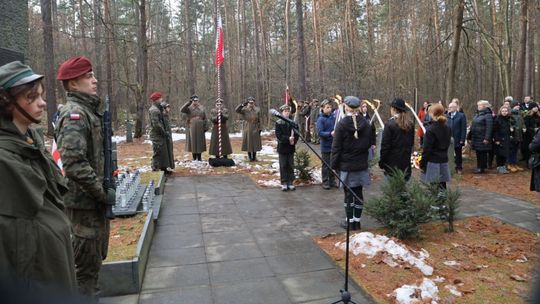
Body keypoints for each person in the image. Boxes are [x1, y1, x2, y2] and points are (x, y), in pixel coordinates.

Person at [0, 61, 77, 294]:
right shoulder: (4, 158)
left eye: (41, 96)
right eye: (31, 97)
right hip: (34, 276)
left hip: (52, 264)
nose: (42, 103)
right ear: (6, 102)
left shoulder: (29, 141)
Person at [55, 56, 115, 298]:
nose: (95, 80)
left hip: (92, 204)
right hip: (84, 206)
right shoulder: (75, 114)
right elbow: (73, 163)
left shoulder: (89, 111)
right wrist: (101, 192)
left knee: (94, 262)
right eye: (88, 76)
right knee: (84, 273)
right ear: (72, 84)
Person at [331, 96, 376, 231]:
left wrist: (333, 166)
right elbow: (369, 143)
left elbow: (336, 148)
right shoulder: (366, 123)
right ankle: (357, 222)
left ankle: (350, 222)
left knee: (348, 194)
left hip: (347, 165)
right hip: (361, 164)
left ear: (346, 107)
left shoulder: (342, 125)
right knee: (358, 192)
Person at [379, 98, 415, 180]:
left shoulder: (390, 125)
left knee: (393, 191)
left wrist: (382, 162)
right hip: (405, 166)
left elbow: (385, 146)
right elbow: (411, 144)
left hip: (392, 167)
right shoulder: (410, 124)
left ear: (393, 109)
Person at [420, 103, 452, 189]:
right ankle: (443, 202)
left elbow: (427, 149)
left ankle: (438, 202)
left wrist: (422, 164)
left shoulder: (430, 130)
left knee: (434, 187)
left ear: (433, 114)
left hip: (433, 161)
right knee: (442, 185)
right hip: (443, 159)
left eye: (430, 112)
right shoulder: (447, 128)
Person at [275, 104, 299, 191]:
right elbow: (279, 135)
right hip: (282, 147)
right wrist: (288, 138)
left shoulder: (293, 122)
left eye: (288, 111)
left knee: (290, 165)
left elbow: (297, 133)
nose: (287, 113)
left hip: (290, 147)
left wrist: (294, 140)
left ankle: (290, 182)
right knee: (283, 165)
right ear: (282, 112)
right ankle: (284, 182)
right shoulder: (278, 123)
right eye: (285, 111)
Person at [148, 92, 171, 171]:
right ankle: (155, 168)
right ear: (156, 100)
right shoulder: (154, 110)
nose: (161, 100)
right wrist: (164, 132)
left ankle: (163, 167)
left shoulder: (158, 108)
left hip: (160, 134)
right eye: (160, 98)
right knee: (158, 151)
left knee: (163, 151)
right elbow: (156, 124)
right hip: (157, 134)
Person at [469, 100, 493, 174]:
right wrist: (469, 136)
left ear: (484, 106)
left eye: (479, 105)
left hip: (482, 137)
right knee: (478, 152)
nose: (478, 107)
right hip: (476, 137)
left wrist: (486, 138)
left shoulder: (488, 115)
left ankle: (481, 168)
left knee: (482, 153)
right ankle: (479, 166)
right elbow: (473, 125)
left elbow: (489, 127)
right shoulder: (477, 114)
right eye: (478, 105)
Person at [181, 95, 207, 161]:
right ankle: (194, 157)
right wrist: (188, 103)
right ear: (192, 101)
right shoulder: (189, 108)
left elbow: (205, 118)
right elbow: (182, 110)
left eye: (196, 100)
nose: (195, 102)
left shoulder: (202, 108)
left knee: (200, 142)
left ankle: (199, 157)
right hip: (192, 126)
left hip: (200, 126)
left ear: (198, 100)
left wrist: (206, 126)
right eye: (194, 100)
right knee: (193, 142)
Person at [317, 99, 336, 189]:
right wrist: (329, 133)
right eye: (327, 107)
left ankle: (332, 181)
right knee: (325, 164)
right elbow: (320, 132)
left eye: (330, 107)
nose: (329, 109)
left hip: (333, 144)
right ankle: (325, 181)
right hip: (325, 145)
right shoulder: (321, 119)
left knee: (333, 164)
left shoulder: (333, 118)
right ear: (322, 108)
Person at [235, 96, 262, 161]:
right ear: (248, 103)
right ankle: (250, 157)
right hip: (247, 126)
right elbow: (237, 110)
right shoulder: (244, 109)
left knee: (255, 142)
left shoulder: (257, 109)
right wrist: (242, 105)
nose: (251, 104)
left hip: (255, 126)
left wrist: (260, 127)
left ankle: (254, 156)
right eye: (250, 102)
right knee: (248, 142)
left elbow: (259, 119)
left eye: (252, 102)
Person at [446, 101, 467, 174]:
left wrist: (462, 139)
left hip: (457, 138)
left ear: (455, 108)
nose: (449, 108)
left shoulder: (461, 116)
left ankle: (459, 168)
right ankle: (449, 167)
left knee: (458, 154)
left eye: (451, 107)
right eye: (449, 107)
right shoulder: (446, 115)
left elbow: (463, 129)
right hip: (448, 138)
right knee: (448, 153)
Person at [493, 105, 513, 174]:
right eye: (503, 111)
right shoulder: (497, 119)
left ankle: (503, 166)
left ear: (508, 112)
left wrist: (511, 130)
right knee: (500, 154)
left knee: (505, 153)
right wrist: (496, 140)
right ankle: (499, 167)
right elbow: (495, 131)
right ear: (500, 111)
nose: (504, 112)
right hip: (500, 139)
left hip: (507, 138)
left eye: (506, 111)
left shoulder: (508, 119)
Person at [508, 101, 525, 172]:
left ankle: (515, 164)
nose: (518, 106)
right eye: (516, 105)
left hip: (519, 135)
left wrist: (524, 127)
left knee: (515, 150)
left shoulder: (519, 114)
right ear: (513, 106)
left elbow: (522, 123)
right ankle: (510, 164)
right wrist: (513, 127)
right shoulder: (509, 114)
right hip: (512, 135)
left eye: (518, 105)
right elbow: (509, 124)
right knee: (511, 150)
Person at [161, 101, 175, 171]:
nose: (169, 108)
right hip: (165, 135)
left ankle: (169, 166)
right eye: (167, 107)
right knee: (166, 152)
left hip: (168, 135)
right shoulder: (162, 116)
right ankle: (166, 167)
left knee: (169, 150)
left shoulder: (166, 115)